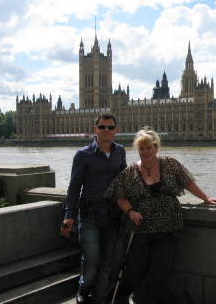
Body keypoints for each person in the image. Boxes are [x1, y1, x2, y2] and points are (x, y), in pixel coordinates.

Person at [105, 127, 216, 304]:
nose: (145, 152)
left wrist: (206, 198)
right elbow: (119, 195)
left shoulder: (170, 163)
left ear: (156, 147)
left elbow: (188, 182)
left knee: (159, 272)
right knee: (134, 271)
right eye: (142, 149)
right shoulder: (130, 172)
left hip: (168, 229)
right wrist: (130, 212)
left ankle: (141, 299)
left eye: (149, 148)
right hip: (141, 230)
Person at [60, 112, 126, 304]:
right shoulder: (83, 155)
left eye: (110, 127)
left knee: (107, 261)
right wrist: (69, 215)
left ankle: (100, 296)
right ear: (95, 129)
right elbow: (74, 188)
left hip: (112, 215)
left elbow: (125, 179)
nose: (106, 131)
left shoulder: (119, 151)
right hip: (89, 214)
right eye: (102, 127)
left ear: (116, 130)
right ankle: (83, 289)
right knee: (91, 259)